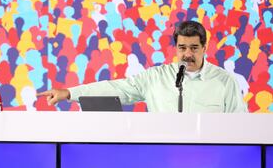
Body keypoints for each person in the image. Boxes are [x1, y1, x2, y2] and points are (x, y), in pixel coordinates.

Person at [38, 21, 247, 113]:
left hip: (212, 160)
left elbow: (240, 125)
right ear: (175, 47)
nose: (188, 54)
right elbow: (116, 89)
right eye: (182, 48)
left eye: (194, 48)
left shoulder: (224, 81)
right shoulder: (156, 77)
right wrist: (69, 93)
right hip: (162, 159)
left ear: (204, 47)